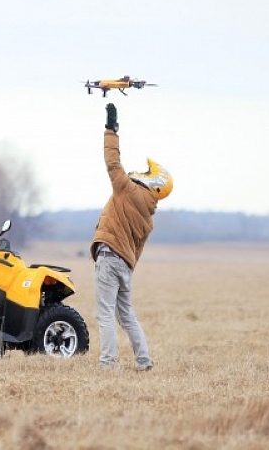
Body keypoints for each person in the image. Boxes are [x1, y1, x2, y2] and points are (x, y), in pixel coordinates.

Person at [91, 103, 173, 371]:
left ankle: (108, 364)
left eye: (148, 174)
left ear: (154, 183)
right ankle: (144, 362)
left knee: (104, 314)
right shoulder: (149, 217)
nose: (141, 173)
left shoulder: (126, 189)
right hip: (125, 266)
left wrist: (111, 129)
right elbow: (137, 251)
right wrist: (126, 270)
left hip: (109, 258)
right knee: (126, 316)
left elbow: (112, 162)